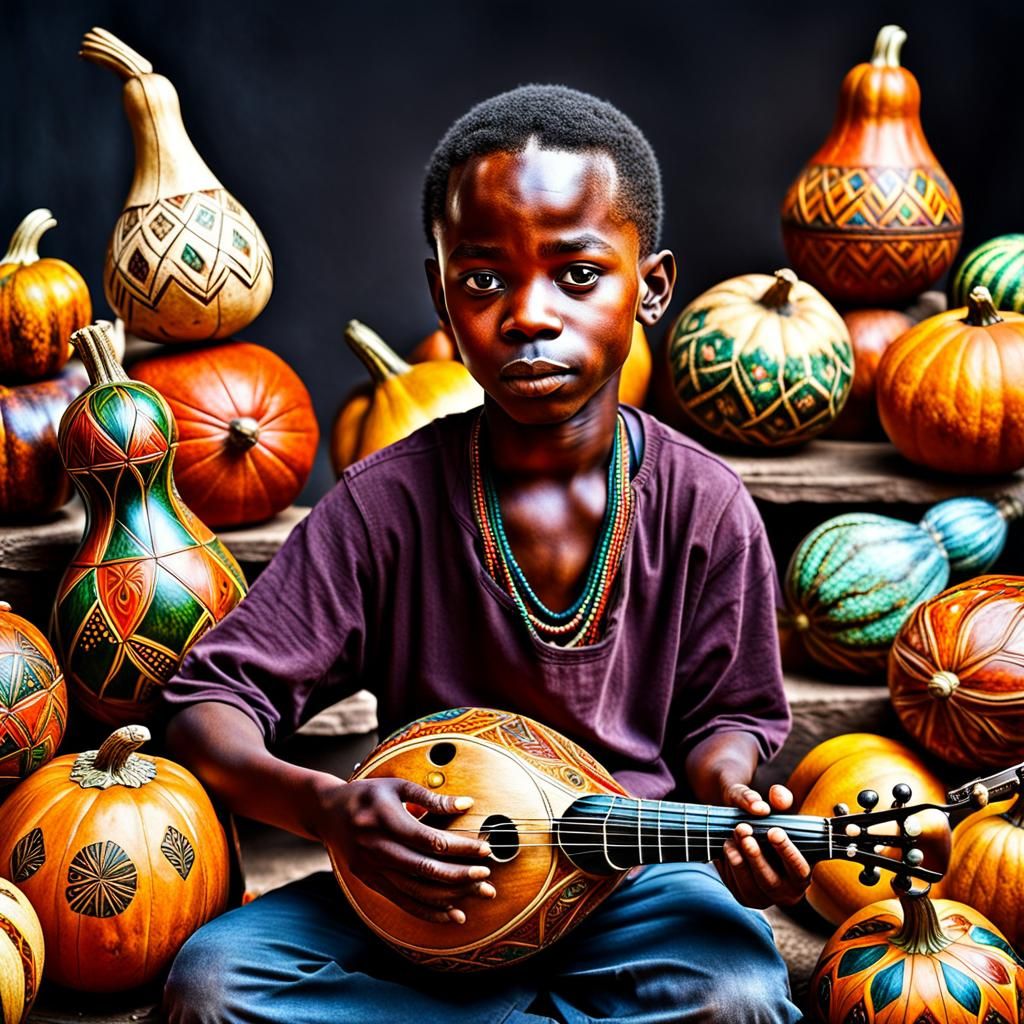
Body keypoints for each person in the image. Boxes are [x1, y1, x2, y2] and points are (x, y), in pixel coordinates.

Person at [161, 84, 807, 1023]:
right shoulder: (387, 502)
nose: (528, 314)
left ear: (652, 287)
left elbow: (729, 719)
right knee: (217, 986)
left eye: (577, 274)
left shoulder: (704, 504)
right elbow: (207, 706)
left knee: (739, 995)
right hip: (428, 888)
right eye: (483, 280)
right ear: (441, 297)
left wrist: (733, 801)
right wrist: (328, 810)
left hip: (632, 881)